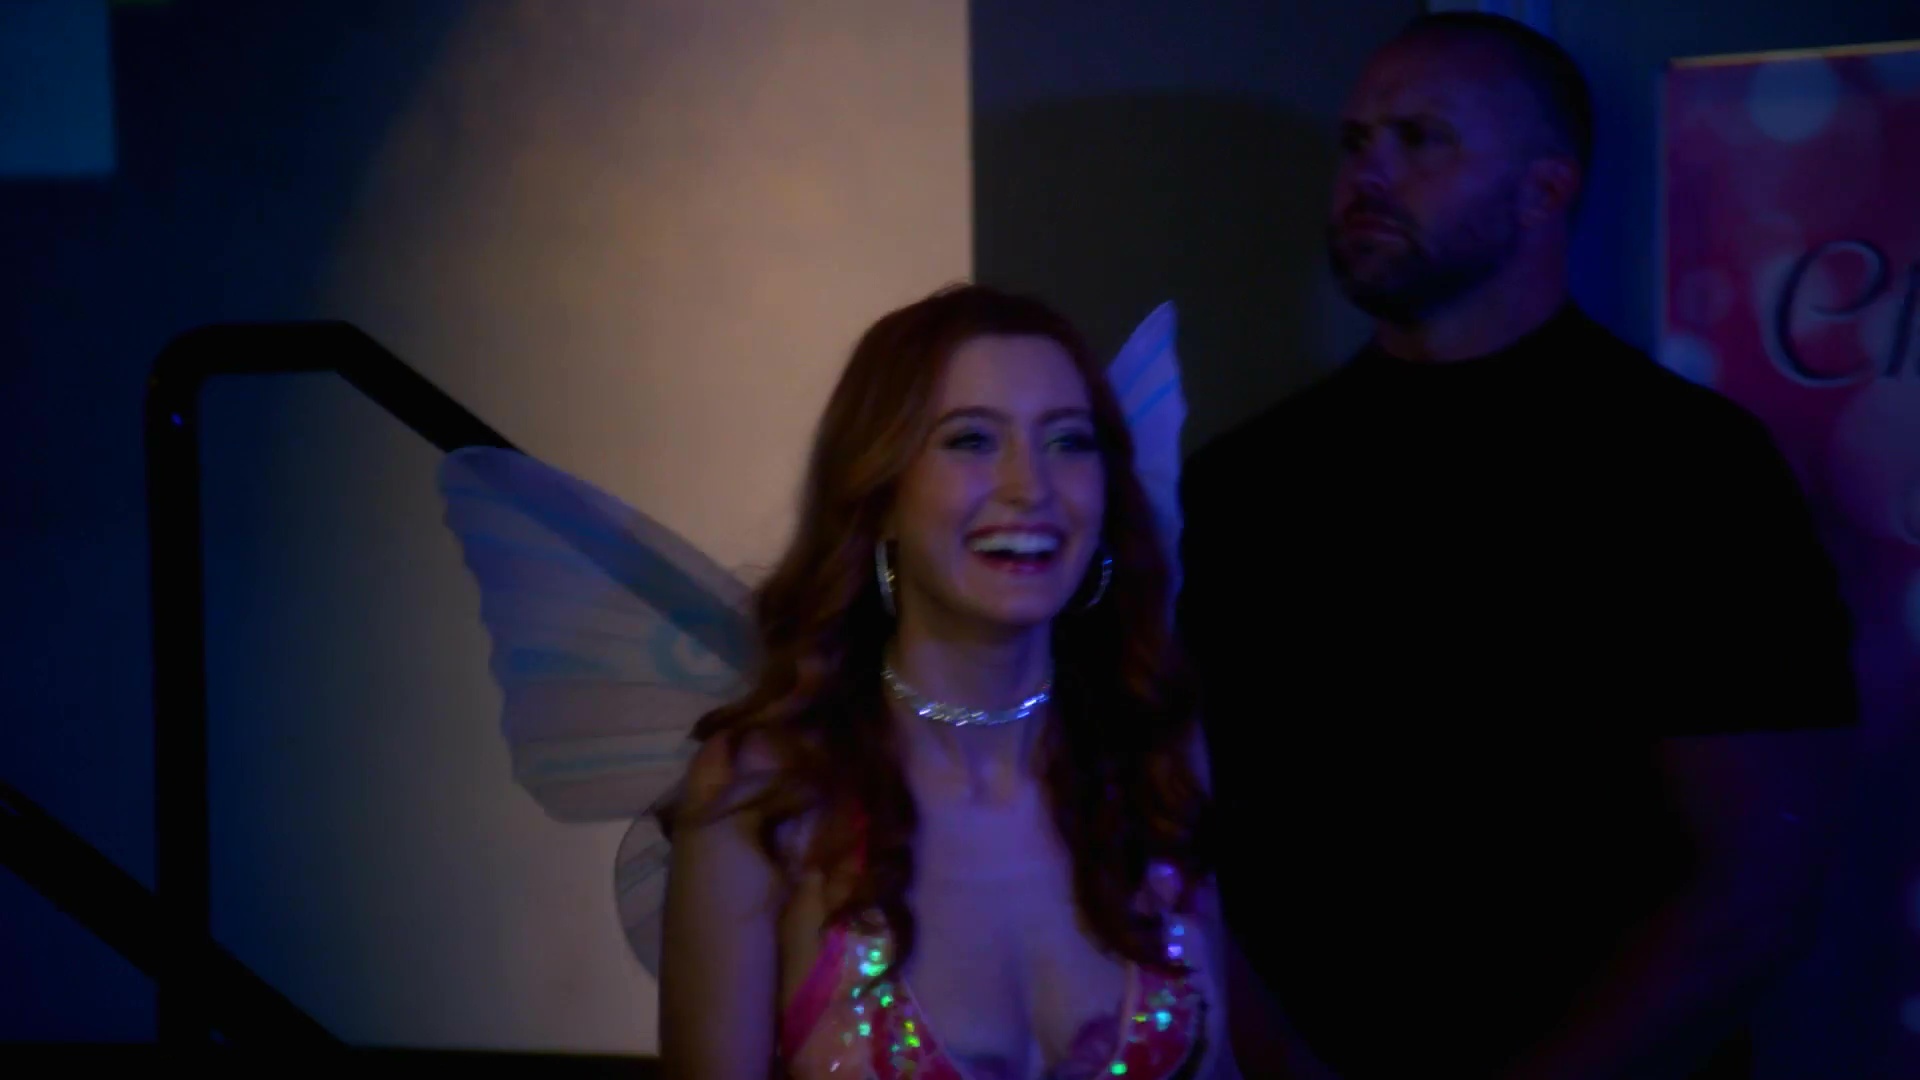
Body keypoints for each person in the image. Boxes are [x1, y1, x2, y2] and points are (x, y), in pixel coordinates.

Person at [1177, 13, 1860, 1080]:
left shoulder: (1689, 470)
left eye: (1421, 138)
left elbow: (1757, 884)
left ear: (1545, 191)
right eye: (1356, 142)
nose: (1368, 173)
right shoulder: (1245, 482)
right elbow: (1184, 834)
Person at [655, 284, 1237, 1080]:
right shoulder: (763, 793)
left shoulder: (1155, 760)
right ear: (879, 496)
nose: (1030, 487)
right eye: (970, 440)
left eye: (1068, 441)